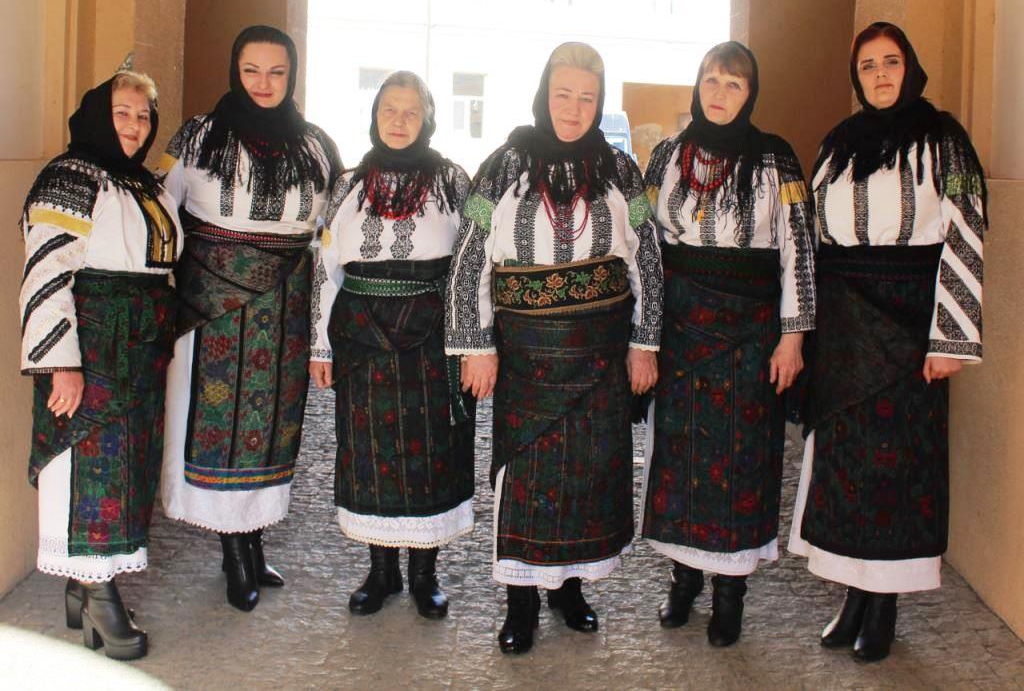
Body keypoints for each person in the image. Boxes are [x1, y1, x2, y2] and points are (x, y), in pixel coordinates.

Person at [445, 42, 663, 654]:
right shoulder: (502, 165)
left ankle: (570, 589)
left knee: (589, 476)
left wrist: (645, 342)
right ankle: (520, 603)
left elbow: (647, 255)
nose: (573, 108)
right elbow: (470, 256)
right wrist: (476, 346)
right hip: (526, 355)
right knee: (525, 476)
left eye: (586, 98)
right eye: (563, 94)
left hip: (601, 354)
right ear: (544, 95)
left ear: (600, 103)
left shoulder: (621, 170)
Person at [788, 22, 987, 662]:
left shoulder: (946, 142)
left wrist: (951, 336)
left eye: (890, 61)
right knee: (844, 467)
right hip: (843, 327)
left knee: (896, 469)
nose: (879, 74)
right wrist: (806, 328)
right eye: (868, 65)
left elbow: (967, 231)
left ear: (910, 67)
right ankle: (853, 595)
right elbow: (812, 237)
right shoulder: (837, 144)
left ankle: (884, 607)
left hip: (907, 326)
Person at [159, 25, 340, 611]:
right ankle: (234, 551)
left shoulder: (316, 145)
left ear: (292, 76)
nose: (264, 83)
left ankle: (254, 541)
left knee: (271, 426)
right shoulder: (198, 136)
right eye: (251, 70)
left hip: (285, 308)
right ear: (235, 72)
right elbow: (162, 212)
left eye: (276, 72)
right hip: (213, 309)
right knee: (219, 424)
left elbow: (330, 232)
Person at [640, 41, 815, 647]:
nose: (719, 93)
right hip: (681, 332)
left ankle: (730, 594)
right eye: (711, 80)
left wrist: (793, 337)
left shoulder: (776, 160)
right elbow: (645, 246)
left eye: (733, 84)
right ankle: (683, 579)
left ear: (750, 93)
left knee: (742, 463)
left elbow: (799, 251)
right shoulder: (667, 156)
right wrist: (645, 335)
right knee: (680, 459)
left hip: (750, 335)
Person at [19, 66, 181, 660]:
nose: (134, 125)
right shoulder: (70, 177)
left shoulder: (144, 183)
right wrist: (59, 363)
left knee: (127, 465)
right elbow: (45, 273)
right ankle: (99, 595)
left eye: (143, 115)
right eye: (122, 113)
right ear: (96, 115)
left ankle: (81, 590)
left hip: (139, 348)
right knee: (86, 462)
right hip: (89, 344)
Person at [309, 71, 474, 619]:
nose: (399, 121)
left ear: (427, 119)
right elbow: (325, 268)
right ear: (374, 115)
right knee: (371, 453)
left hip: (432, 336)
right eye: (389, 110)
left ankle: (425, 574)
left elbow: (472, 264)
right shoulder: (348, 184)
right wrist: (319, 346)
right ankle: (381, 572)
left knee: (431, 452)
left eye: (411, 112)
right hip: (361, 336)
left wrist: (473, 342)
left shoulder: (453, 181)